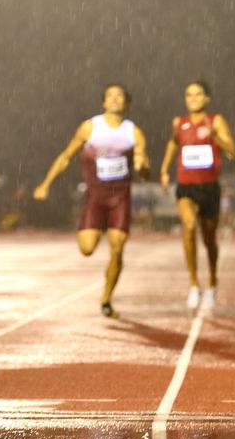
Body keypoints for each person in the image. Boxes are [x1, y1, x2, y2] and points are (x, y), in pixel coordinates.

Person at [33, 83, 149, 318]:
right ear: (103, 102)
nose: (115, 99)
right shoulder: (90, 127)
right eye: (110, 96)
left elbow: (145, 170)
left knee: (117, 249)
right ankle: (102, 258)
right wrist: (46, 184)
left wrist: (142, 166)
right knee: (86, 249)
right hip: (96, 198)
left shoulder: (133, 132)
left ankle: (106, 299)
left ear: (126, 103)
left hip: (120, 198)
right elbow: (66, 157)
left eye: (119, 96)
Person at [160, 81, 235, 312]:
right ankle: (194, 284)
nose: (193, 98)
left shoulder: (216, 121)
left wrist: (215, 136)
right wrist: (165, 170)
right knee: (188, 226)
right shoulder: (179, 123)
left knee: (209, 240)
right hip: (186, 186)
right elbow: (172, 145)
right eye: (188, 94)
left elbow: (234, 152)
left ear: (207, 99)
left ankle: (212, 283)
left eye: (198, 94)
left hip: (209, 188)